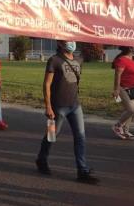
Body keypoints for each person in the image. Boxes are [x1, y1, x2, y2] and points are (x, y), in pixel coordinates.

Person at [36, 41, 99, 184]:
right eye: (67, 41)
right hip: (58, 106)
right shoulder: (54, 60)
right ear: (60, 43)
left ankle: (82, 170)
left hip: (75, 105)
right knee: (52, 135)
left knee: (80, 137)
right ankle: (42, 159)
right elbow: (46, 84)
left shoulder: (78, 60)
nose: (71, 43)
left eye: (72, 40)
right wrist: (48, 106)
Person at [112, 46, 134, 140]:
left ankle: (126, 131)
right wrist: (116, 89)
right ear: (130, 49)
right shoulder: (121, 60)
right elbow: (117, 75)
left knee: (132, 111)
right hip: (123, 88)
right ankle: (117, 126)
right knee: (132, 110)